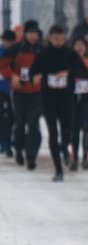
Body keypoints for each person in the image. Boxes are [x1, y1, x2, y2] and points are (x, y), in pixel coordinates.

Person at [31, 24, 86, 181]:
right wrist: (35, 77)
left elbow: (83, 71)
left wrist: (68, 73)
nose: (58, 42)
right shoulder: (43, 53)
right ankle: (58, 170)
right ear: (50, 38)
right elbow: (33, 70)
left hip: (67, 98)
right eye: (56, 39)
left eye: (61, 39)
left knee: (67, 131)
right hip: (48, 98)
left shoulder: (70, 53)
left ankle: (64, 147)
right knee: (53, 133)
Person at [2, 21, 44, 169]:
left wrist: (42, 76)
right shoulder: (15, 49)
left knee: (33, 123)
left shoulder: (43, 50)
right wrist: (12, 76)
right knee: (20, 123)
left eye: (35, 33)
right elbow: (3, 65)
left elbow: (52, 66)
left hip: (37, 92)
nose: (33, 36)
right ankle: (19, 149)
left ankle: (31, 156)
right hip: (19, 91)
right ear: (25, 34)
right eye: (30, 33)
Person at [69, 35, 88, 170]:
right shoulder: (66, 61)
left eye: (82, 45)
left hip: (86, 98)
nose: (79, 47)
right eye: (76, 45)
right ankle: (74, 158)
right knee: (74, 129)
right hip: (71, 98)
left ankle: (85, 158)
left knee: (86, 127)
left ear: (85, 48)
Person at [0, 30, 16, 157]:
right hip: (1, 89)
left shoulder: (17, 52)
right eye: (6, 41)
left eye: (10, 41)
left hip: (14, 89)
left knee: (12, 117)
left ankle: (9, 143)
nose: (8, 44)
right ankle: (4, 143)